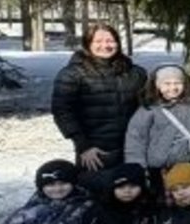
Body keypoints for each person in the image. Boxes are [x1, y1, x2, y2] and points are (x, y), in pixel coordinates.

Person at [50, 22, 148, 180]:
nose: (105, 46)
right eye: (98, 41)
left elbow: (148, 106)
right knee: (97, 191)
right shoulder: (72, 74)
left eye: (110, 41)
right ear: (88, 44)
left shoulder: (135, 73)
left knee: (133, 191)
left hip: (133, 148)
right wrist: (83, 146)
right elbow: (62, 112)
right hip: (96, 152)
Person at [123, 65, 190, 183]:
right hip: (156, 169)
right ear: (157, 86)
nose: (173, 88)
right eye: (167, 84)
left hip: (187, 167)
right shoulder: (148, 110)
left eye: (177, 83)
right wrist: (138, 168)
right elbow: (136, 139)